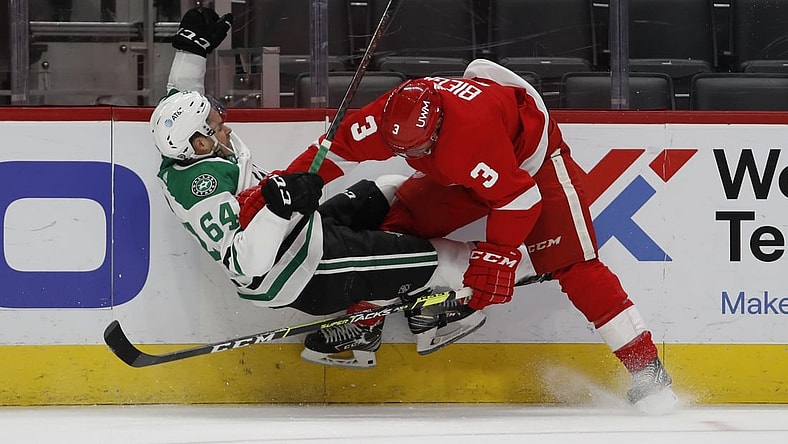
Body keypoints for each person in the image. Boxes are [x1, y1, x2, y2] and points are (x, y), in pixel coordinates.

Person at [285, 59, 678, 413]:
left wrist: (499, 256)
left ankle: (648, 371)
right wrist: (274, 191)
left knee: (574, 265)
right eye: (404, 150)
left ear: (437, 125)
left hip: (532, 165)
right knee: (399, 224)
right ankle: (366, 323)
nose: (413, 156)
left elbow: (519, 198)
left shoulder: (469, 134)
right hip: (468, 168)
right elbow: (331, 152)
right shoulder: (388, 116)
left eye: (421, 147)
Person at [149, 7, 513, 369]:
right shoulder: (203, 187)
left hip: (306, 235)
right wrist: (279, 210)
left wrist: (191, 50)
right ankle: (446, 314)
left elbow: (179, 100)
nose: (226, 126)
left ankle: (365, 324)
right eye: (217, 124)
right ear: (200, 143)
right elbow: (247, 264)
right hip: (304, 273)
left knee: (387, 191)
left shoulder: (182, 146)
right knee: (446, 259)